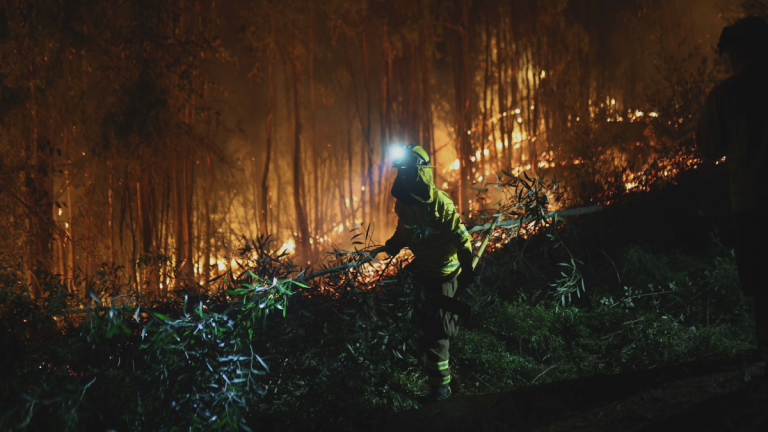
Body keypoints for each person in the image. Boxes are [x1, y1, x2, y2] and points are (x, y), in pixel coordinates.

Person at [696, 16, 768, 361]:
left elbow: (708, 147)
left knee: (761, 289)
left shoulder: (725, 95)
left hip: (750, 203)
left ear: (736, 53)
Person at [383, 144, 475, 401]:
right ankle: (427, 361)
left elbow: (462, 240)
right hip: (423, 273)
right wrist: (394, 243)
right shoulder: (403, 204)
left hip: (445, 276)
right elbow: (405, 230)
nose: (404, 177)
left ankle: (440, 391)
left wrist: (466, 269)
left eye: (409, 172)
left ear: (422, 173)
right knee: (424, 324)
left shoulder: (441, 204)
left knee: (438, 336)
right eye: (401, 172)